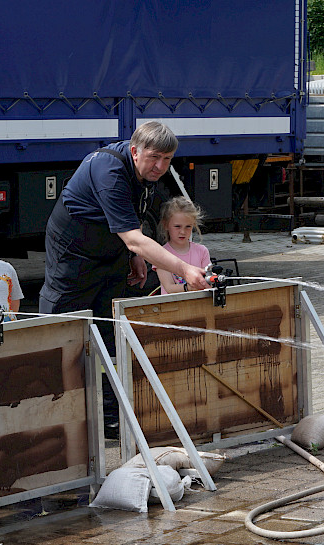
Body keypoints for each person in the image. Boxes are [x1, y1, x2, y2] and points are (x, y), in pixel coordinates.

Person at [40, 121, 210, 435]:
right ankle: (54, 417)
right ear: (135, 151)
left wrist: (134, 256)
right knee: (64, 330)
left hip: (110, 251)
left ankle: (108, 416)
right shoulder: (109, 171)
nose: (160, 166)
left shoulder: (144, 171)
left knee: (108, 333)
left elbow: (133, 219)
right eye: (154, 158)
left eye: (167, 160)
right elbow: (133, 237)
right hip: (72, 254)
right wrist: (184, 269)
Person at [155, 197, 211, 295]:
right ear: (166, 225)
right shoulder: (160, 254)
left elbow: (208, 280)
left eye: (188, 226)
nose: (183, 232)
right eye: (177, 226)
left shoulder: (202, 251)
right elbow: (169, 287)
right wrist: (190, 287)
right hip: (172, 307)